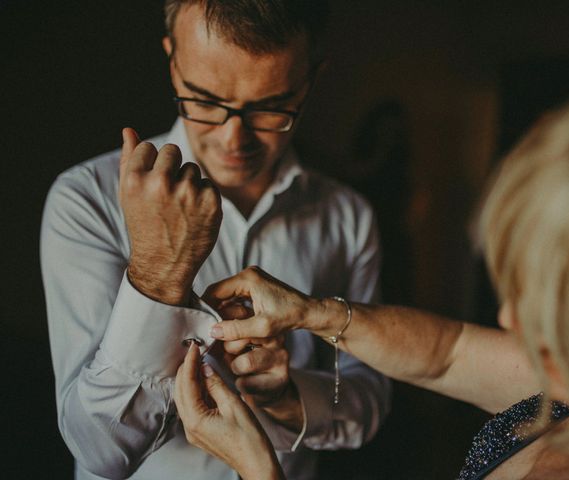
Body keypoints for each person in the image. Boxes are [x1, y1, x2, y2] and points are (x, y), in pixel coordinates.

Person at [175, 78, 569, 479]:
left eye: (562, 299)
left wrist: (260, 469)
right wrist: (312, 312)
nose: (509, 316)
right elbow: (447, 353)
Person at [40, 1, 391, 479]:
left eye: (271, 108)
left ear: (310, 81)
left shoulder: (349, 219)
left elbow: (366, 395)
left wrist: (290, 399)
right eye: (205, 101)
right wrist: (159, 276)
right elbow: (102, 452)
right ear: (172, 58)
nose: (233, 139)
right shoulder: (87, 200)